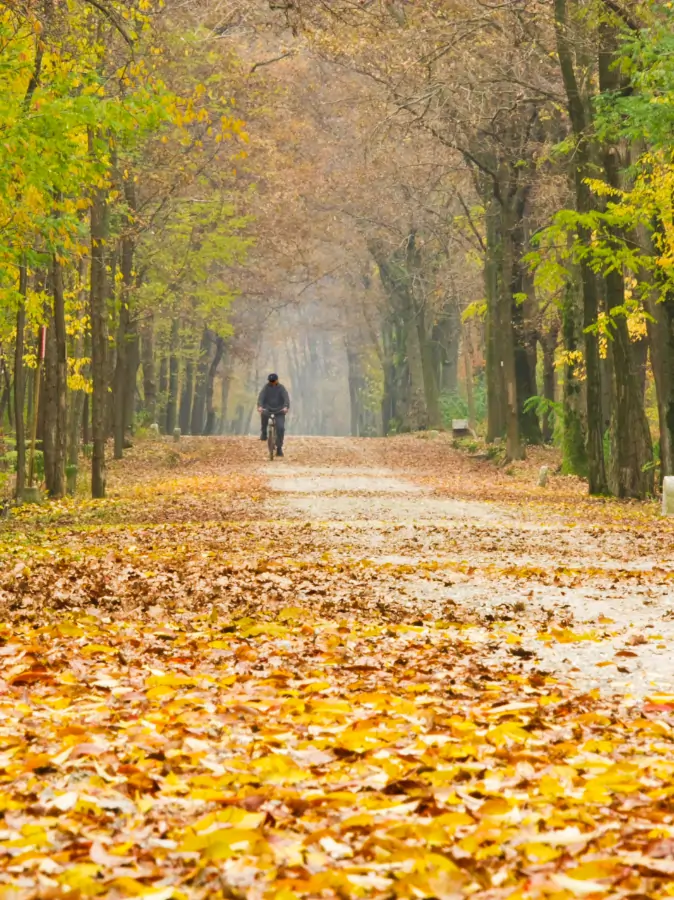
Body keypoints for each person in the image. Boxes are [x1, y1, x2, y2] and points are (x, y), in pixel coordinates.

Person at [257, 373, 290, 457]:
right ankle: (264, 433)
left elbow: (286, 398)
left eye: (273, 381)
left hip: (279, 411)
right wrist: (260, 406)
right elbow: (261, 397)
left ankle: (279, 448)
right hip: (268, 409)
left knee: (281, 428)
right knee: (263, 415)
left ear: (277, 380)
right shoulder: (266, 388)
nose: (271, 383)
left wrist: (286, 407)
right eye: (270, 381)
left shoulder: (281, 388)